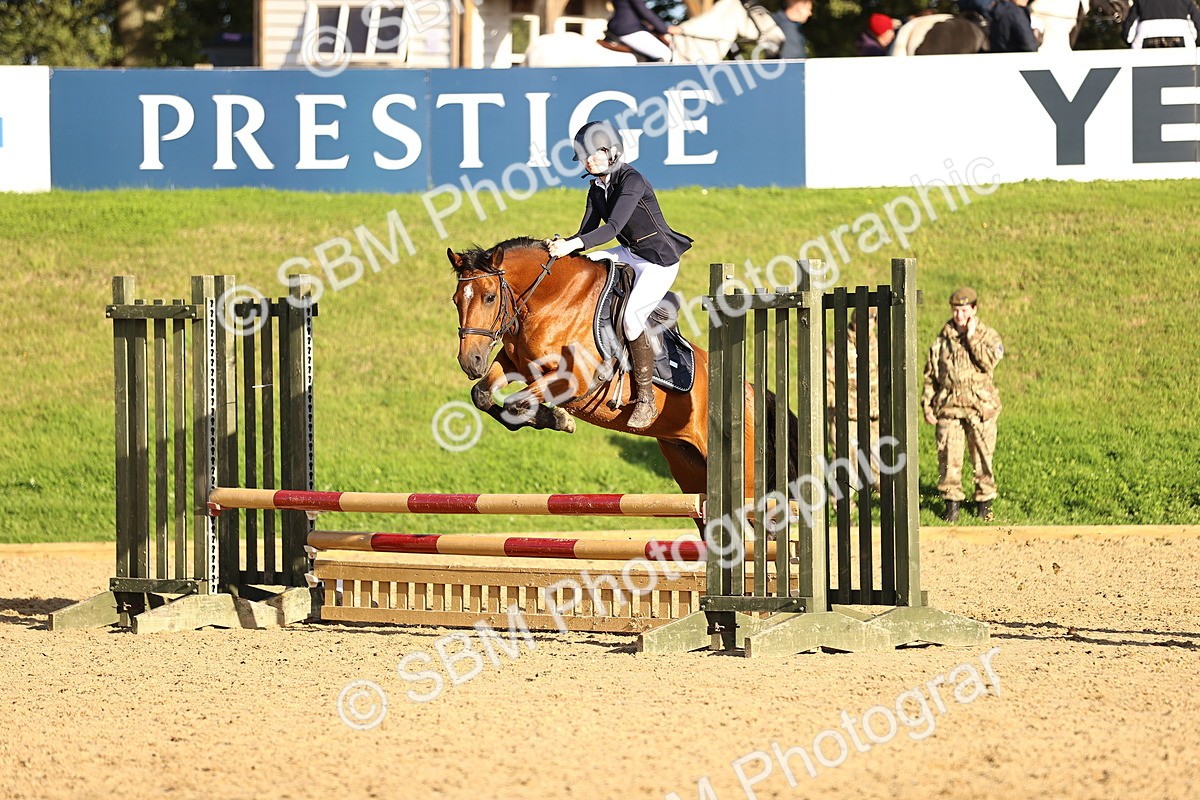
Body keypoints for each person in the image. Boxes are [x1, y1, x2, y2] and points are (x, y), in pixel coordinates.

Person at [545, 121, 693, 429]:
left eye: (594, 154)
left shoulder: (632, 180)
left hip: (657, 261)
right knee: (583, 264)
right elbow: (584, 234)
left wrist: (572, 244)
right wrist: (558, 248)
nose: (588, 161)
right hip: (629, 252)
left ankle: (646, 398)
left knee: (631, 320)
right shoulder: (596, 188)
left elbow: (611, 228)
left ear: (612, 151)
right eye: (583, 156)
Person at [921, 288, 1004, 523]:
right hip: (949, 407)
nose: (959, 315)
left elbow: (989, 363)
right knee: (949, 457)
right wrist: (927, 404)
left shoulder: (988, 336)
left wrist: (971, 336)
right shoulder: (942, 340)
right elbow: (931, 376)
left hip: (980, 407)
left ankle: (984, 502)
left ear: (974, 310)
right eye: (956, 310)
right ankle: (952, 503)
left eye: (964, 310)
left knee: (983, 457)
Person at [826, 307, 881, 490]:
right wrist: (844, 406)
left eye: (870, 322)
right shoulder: (837, 350)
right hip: (845, 420)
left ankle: (890, 511)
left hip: (874, 418)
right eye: (861, 323)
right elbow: (826, 387)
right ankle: (844, 515)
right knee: (844, 467)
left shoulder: (880, 348)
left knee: (881, 465)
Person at [607, 0, 683, 62]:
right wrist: (665, 29)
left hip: (625, 26)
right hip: (628, 29)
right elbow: (643, 10)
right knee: (665, 54)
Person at [1122, 0, 1200, 48]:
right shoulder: (1187, 2)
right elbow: (1198, 26)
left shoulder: (1139, 2)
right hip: (1182, 47)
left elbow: (1128, 35)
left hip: (1146, 49)